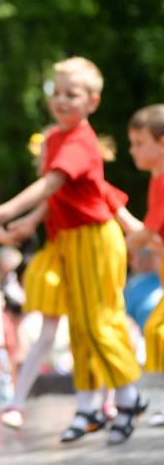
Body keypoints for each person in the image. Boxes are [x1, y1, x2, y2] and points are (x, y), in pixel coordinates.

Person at [0, 56, 145, 445]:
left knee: (100, 322)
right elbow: (57, 194)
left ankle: (129, 395)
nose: (61, 100)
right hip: (68, 240)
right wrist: (30, 221)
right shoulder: (56, 139)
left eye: (71, 94)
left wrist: (4, 212)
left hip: (94, 238)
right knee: (79, 325)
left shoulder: (80, 140)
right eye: (57, 92)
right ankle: (88, 404)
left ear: (92, 102)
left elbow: (50, 184)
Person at [0, 130, 135, 434]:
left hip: (92, 257)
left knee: (101, 323)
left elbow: (126, 221)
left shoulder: (93, 189)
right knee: (73, 329)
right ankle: (82, 402)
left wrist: (147, 240)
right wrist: (19, 222)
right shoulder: (54, 194)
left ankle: (115, 396)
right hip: (64, 262)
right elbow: (37, 213)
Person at [124, 104, 164, 427]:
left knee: (157, 330)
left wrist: (118, 248)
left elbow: (149, 232)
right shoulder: (156, 181)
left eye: (139, 143)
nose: (132, 150)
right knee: (155, 330)